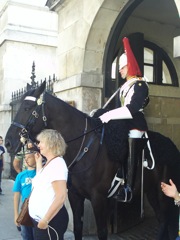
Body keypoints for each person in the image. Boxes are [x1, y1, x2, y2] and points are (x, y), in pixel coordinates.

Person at [99, 37, 149, 202]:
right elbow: (116, 107)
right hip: (123, 122)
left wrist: (108, 116)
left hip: (135, 124)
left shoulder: (140, 85)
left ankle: (128, 186)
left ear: (130, 66)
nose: (120, 71)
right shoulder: (124, 86)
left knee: (130, 141)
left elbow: (132, 109)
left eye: (122, 67)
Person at [29, 129, 69, 240]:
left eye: (41, 142)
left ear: (51, 143)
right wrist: (38, 163)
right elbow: (41, 183)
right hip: (41, 221)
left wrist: (45, 220)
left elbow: (61, 196)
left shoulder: (57, 164)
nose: (38, 145)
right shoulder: (50, 163)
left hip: (49, 221)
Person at [13, 149, 36, 240]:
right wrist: (16, 214)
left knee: (37, 235)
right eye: (25, 157)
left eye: (29, 157)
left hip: (37, 210)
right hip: (25, 209)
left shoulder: (40, 172)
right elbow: (16, 195)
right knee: (26, 235)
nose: (26, 159)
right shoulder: (20, 176)